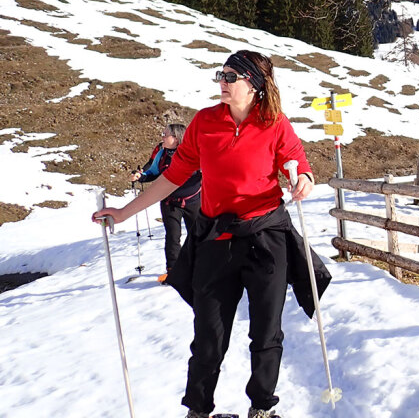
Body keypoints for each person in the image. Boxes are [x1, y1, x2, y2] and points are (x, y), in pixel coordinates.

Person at [93, 50, 330, 418]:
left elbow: (297, 162)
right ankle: (198, 410)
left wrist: (303, 179)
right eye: (221, 75)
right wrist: (124, 213)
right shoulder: (205, 122)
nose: (222, 82)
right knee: (208, 336)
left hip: (267, 237)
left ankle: (262, 408)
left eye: (231, 77)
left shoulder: (274, 123)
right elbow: (172, 178)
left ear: (253, 85)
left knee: (267, 334)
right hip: (216, 240)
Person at [132, 123, 200, 283]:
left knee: (197, 235)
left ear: (176, 138)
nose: (162, 137)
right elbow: (153, 172)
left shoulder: (192, 153)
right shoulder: (161, 154)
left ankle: (200, 268)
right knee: (172, 237)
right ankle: (173, 272)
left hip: (194, 201)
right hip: (169, 202)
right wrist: (140, 176)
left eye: (165, 134)